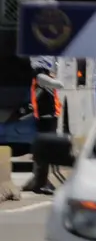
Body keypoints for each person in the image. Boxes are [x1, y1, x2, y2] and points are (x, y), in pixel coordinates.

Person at [25, 60, 62, 195]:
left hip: (49, 117)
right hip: (45, 118)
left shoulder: (42, 76)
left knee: (44, 151)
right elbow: (59, 85)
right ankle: (41, 183)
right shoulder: (40, 76)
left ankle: (39, 181)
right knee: (45, 152)